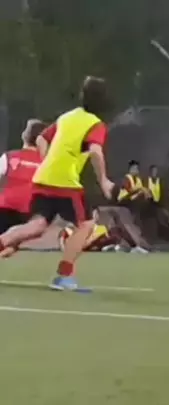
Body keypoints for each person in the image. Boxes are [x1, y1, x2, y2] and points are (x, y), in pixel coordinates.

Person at [0, 76, 115, 291]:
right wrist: (104, 181)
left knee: (37, 226)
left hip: (43, 178)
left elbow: (41, 138)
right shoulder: (96, 124)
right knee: (86, 225)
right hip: (65, 182)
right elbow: (95, 152)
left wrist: (48, 162)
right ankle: (64, 276)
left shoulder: (67, 117)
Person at [0, 120, 45, 239]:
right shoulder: (46, 163)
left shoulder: (9, 157)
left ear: (24, 135)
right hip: (30, 214)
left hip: (4, 208)